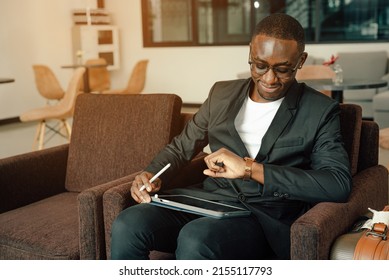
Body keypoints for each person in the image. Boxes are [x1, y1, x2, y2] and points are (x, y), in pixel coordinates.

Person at [110, 13, 352, 260]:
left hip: (263, 217)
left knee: (196, 238)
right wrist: (151, 173)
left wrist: (250, 169)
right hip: (210, 201)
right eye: (260, 65)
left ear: (300, 60)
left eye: (282, 69)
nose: (269, 79)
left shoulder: (320, 111)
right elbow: (180, 148)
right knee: (128, 223)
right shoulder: (221, 94)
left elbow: (336, 184)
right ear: (250, 53)